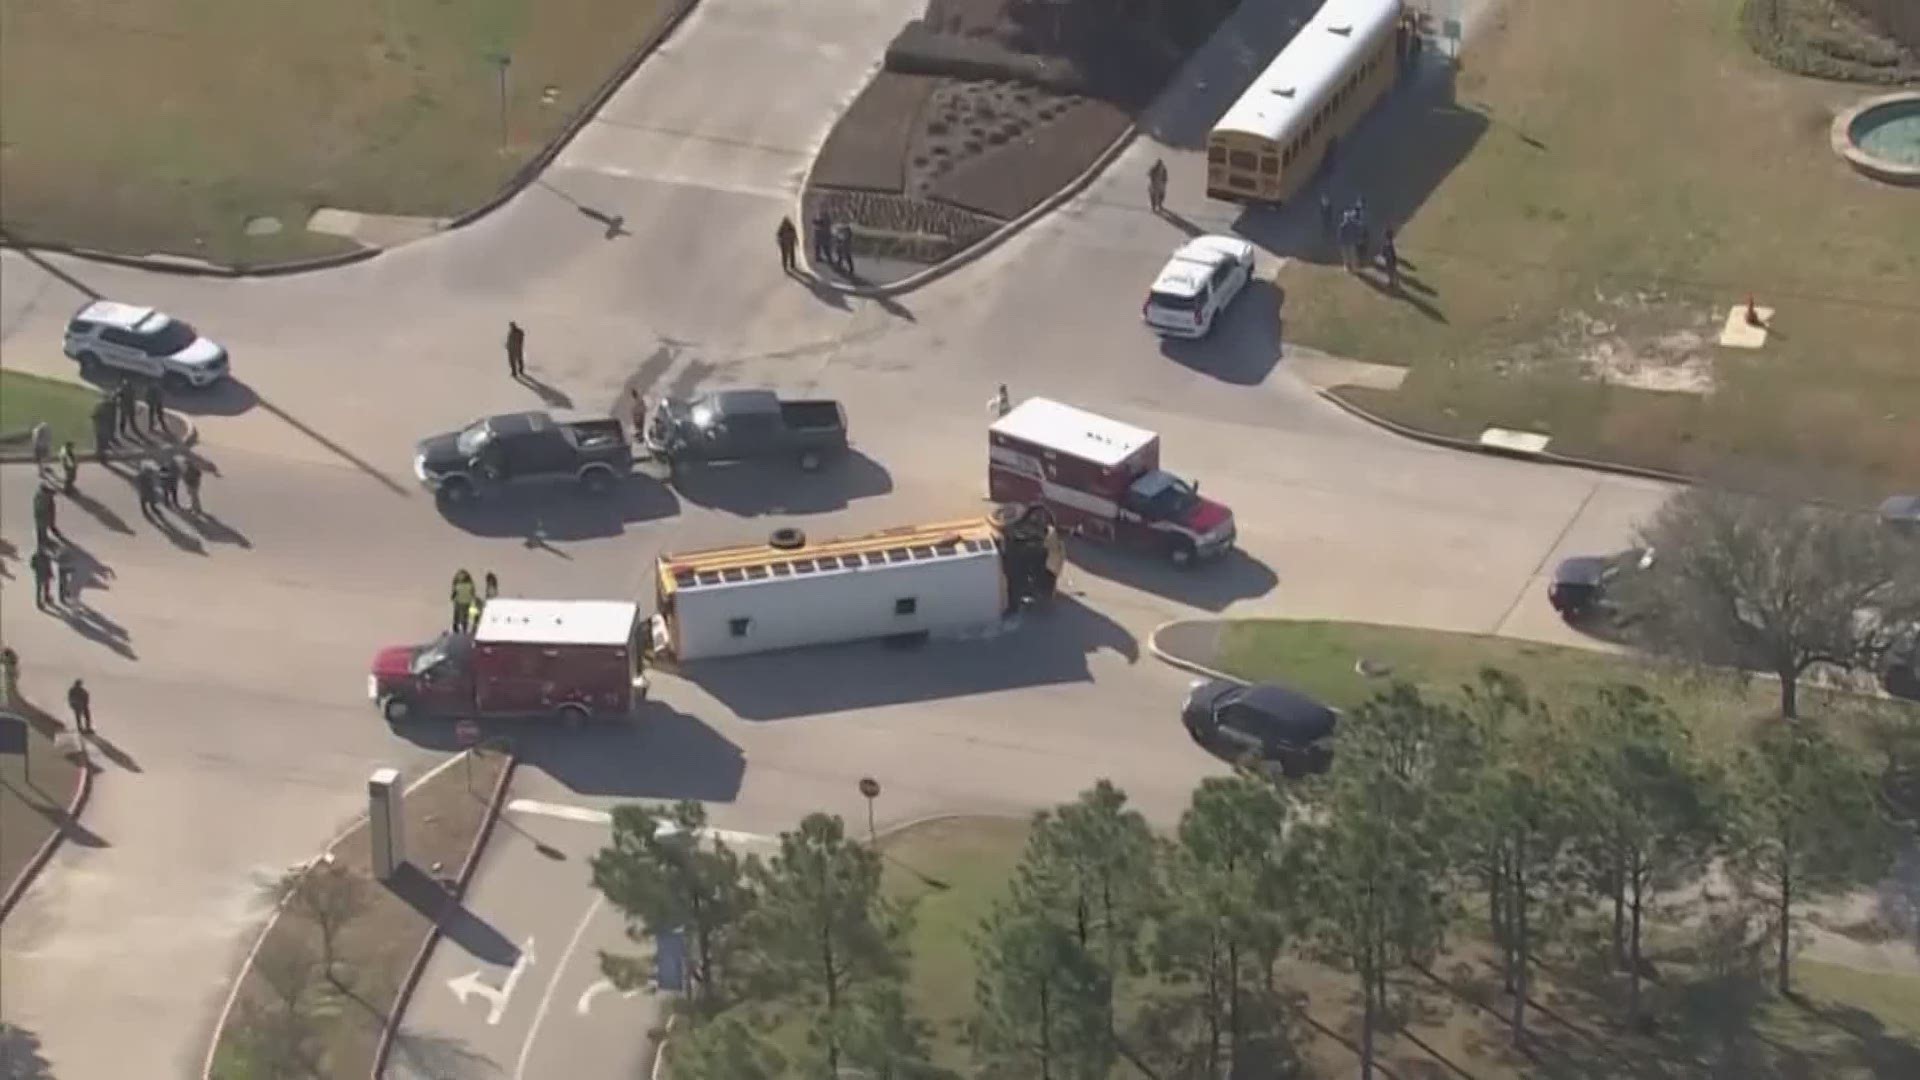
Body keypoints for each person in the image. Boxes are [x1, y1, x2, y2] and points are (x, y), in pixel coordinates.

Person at [451, 570, 477, 634]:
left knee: (460, 615)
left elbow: (454, 593)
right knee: (465, 616)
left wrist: (453, 597)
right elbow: (473, 593)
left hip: (460, 602)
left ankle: (459, 627)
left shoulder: (457, 585)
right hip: (466, 602)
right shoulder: (470, 585)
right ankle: (463, 628)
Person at [32, 482, 58, 547]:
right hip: (42, 514)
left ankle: (41, 540)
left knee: (40, 528)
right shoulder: (44, 497)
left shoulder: (40, 494)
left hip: (40, 514)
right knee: (42, 528)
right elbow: (44, 508)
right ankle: (43, 541)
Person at [29, 545, 54, 610]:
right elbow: (49, 567)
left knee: (40, 589)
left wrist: (37, 569)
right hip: (45, 574)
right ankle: (46, 599)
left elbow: (32, 566)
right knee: (45, 588)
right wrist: (51, 574)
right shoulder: (46, 557)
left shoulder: (35, 556)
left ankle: (39, 602)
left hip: (39, 575)